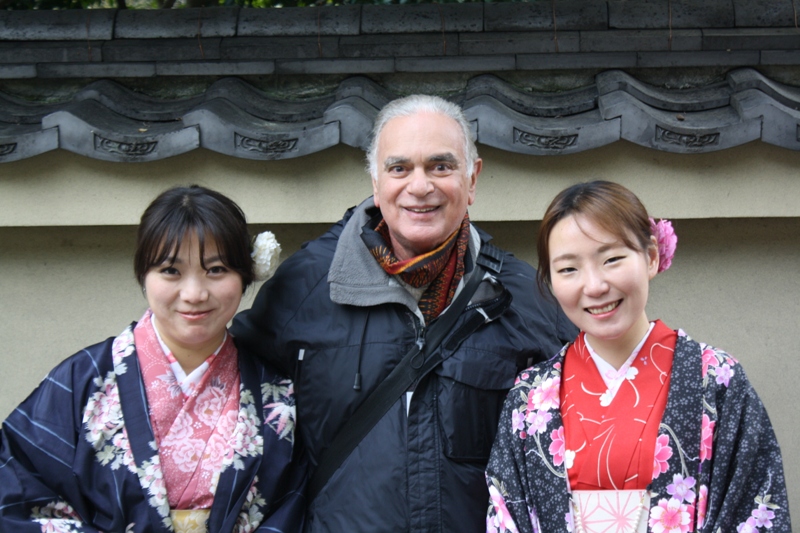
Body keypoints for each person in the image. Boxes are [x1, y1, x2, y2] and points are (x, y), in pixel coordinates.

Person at [230, 94, 576, 532]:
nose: (420, 186)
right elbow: (229, 398)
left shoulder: (522, 297)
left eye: (440, 166)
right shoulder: (307, 286)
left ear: (472, 178)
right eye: (399, 168)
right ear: (375, 181)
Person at [485, 180, 790, 533]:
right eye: (569, 269)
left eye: (612, 259)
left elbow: (753, 508)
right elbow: (506, 516)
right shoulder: (529, 398)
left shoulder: (716, 380)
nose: (595, 285)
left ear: (651, 257)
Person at [0, 185, 306, 533]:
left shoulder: (275, 393)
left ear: (246, 275)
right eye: (171, 271)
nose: (194, 294)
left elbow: (291, 506)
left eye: (216, 269)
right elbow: (16, 489)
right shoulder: (83, 380)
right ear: (143, 274)